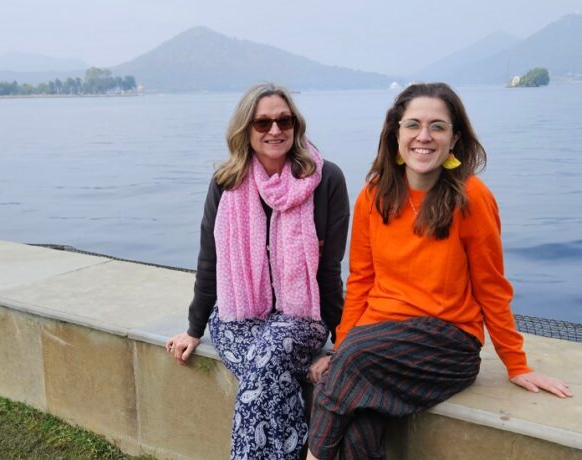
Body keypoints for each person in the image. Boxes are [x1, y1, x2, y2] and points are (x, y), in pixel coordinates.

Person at [305, 82, 573, 460]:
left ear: (454, 139)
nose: (424, 137)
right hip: (376, 340)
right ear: (396, 133)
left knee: (349, 367)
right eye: (413, 125)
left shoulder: (472, 197)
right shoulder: (373, 195)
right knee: (360, 418)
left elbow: (491, 287)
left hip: (447, 345)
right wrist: (343, 344)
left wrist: (516, 364)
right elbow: (362, 281)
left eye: (438, 126)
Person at [166, 82, 350, 459]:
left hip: (300, 319)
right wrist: (194, 328)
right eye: (262, 123)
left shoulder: (326, 179)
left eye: (283, 120)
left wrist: (341, 344)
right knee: (270, 371)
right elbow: (210, 262)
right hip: (238, 316)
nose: (275, 131)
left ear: (296, 125)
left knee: (265, 363)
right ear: (245, 130)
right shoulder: (227, 183)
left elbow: (329, 272)